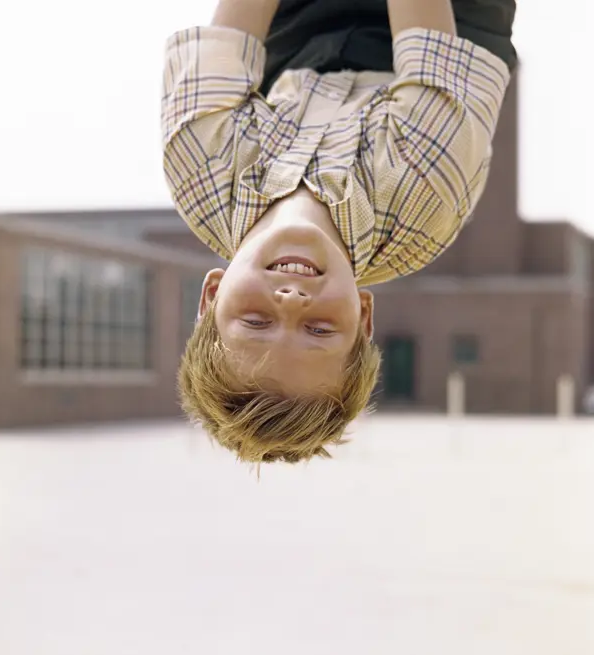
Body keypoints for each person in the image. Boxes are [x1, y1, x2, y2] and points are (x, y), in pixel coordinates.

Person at [161, 0, 516, 464]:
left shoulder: (199, 171)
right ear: (364, 319)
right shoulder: (419, 199)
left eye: (255, 321)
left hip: (297, 36)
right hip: (443, 23)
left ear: (211, 295)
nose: (290, 302)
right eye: (320, 329)